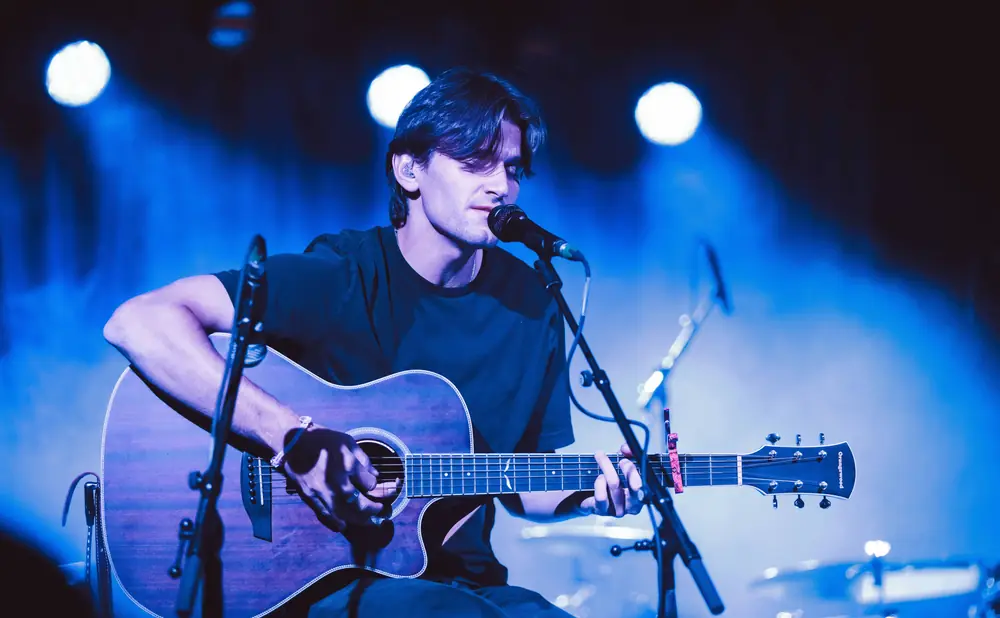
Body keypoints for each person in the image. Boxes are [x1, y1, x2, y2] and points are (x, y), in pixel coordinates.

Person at [103, 67, 645, 618]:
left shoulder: (533, 304)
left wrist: (591, 490)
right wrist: (289, 436)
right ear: (409, 169)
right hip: (322, 580)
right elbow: (138, 321)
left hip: (466, 585)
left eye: (511, 168)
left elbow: (522, 480)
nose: (501, 185)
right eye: (475, 162)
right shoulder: (344, 274)